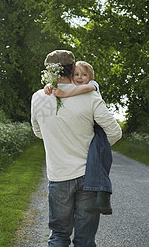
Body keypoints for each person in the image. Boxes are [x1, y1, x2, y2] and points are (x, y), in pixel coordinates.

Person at [31, 50, 122, 247]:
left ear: (49, 71)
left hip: (58, 176)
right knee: (85, 240)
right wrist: (95, 150)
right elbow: (115, 133)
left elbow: (38, 133)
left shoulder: (38, 98)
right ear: (73, 69)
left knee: (58, 236)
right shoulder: (90, 96)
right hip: (88, 176)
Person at [44, 61, 113, 215]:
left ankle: (104, 197)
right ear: (71, 75)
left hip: (99, 129)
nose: (80, 77)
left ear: (91, 77)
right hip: (91, 126)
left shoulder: (92, 86)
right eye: (76, 74)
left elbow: (85, 88)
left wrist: (65, 93)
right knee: (96, 161)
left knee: (99, 159)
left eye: (84, 74)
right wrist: (48, 86)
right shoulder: (75, 88)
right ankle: (103, 199)